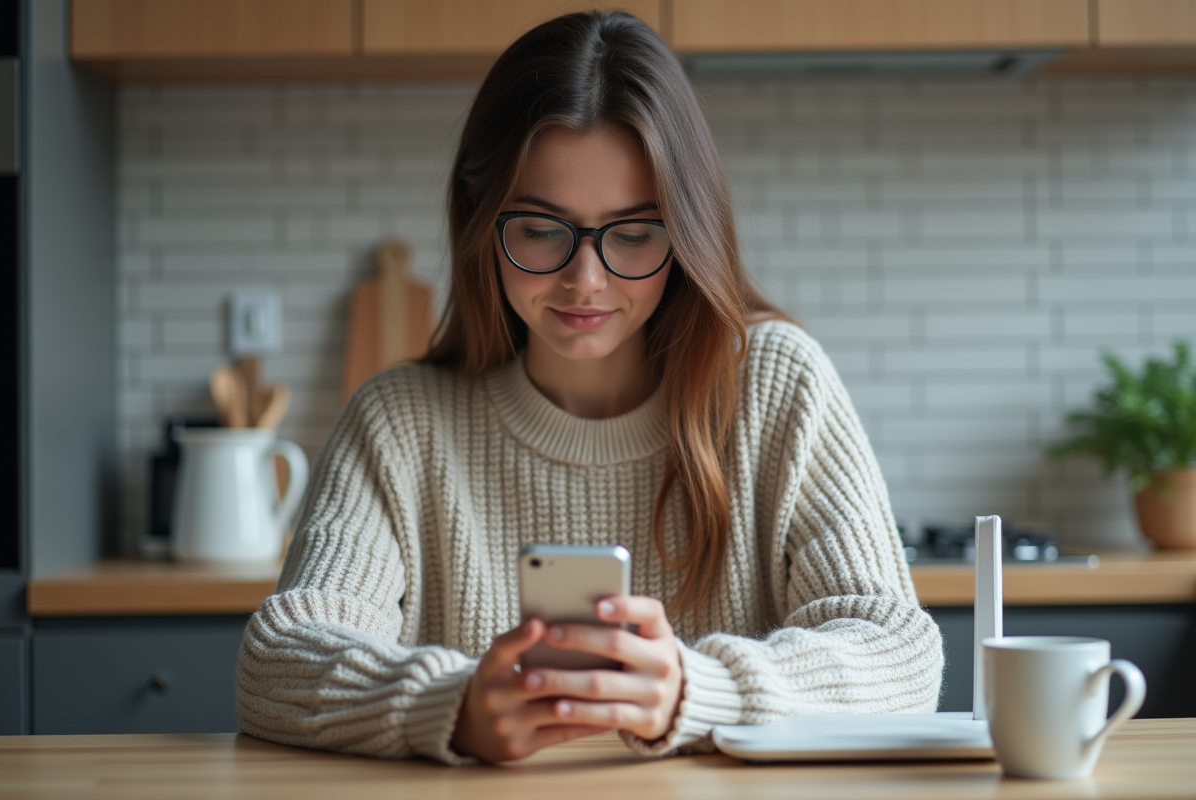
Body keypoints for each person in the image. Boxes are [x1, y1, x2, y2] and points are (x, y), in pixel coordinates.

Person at [236, 10, 943, 764]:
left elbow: (899, 653)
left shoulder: (776, 385)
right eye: (542, 229)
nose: (586, 280)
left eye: (634, 233)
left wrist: (693, 690)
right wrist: (452, 706)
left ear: (688, 230)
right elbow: (280, 659)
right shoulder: (398, 423)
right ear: (479, 217)